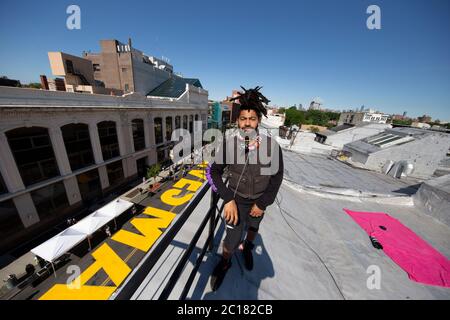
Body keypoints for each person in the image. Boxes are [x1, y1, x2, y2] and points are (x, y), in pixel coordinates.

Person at [207, 86, 284, 291]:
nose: (247, 123)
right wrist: (228, 199)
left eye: (251, 118)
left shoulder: (272, 147)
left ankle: (248, 247)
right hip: (236, 201)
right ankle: (225, 262)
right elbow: (214, 172)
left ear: (258, 120)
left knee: (253, 227)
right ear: (237, 121)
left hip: (259, 201)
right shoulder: (229, 145)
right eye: (243, 119)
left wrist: (262, 203)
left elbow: (277, 177)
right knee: (231, 239)